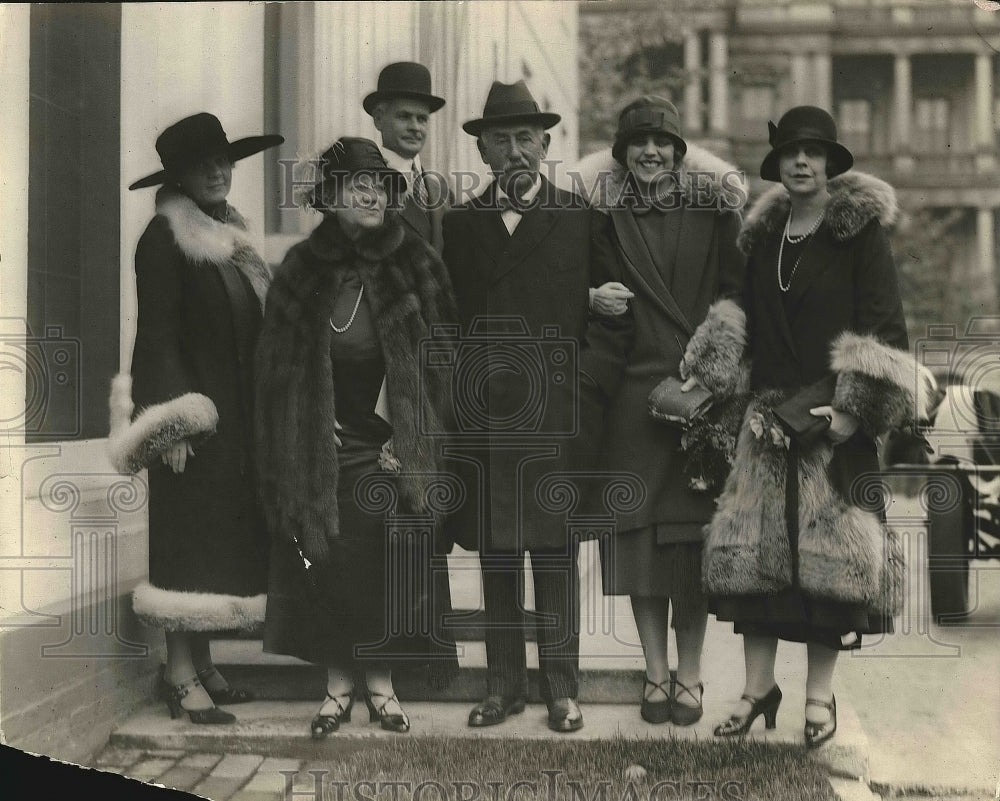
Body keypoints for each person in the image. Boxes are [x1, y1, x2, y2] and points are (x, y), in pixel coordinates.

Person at [703, 106, 929, 747]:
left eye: (813, 152)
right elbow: (743, 318)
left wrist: (851, 411)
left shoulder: (859, 235)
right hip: (767, 423)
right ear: (776, 165)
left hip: (836, 423)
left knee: (834, 565)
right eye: (789, 154)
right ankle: (755, 690)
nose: (800, 162)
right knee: (757, 561)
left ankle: (819, 697)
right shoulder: (763, 237)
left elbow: (885, 331)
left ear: (830, 163)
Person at [442, 80, 632, 733]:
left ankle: (561, 688)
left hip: (555, 413)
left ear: (547, 145)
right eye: (501, 139)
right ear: (484, 150)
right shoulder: (459, 225)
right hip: (488, 413)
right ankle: (502, 686)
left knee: (554, 553)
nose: (515, 149)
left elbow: (614, 313)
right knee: (497, 554)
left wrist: (584, 384)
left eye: (527, 137)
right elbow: (448, 322)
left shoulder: (581, 218)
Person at [254, 137, 459, 739]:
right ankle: (337, 689)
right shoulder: (300, 270)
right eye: (356, 185)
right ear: (328, 197)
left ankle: (383, 687)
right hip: (325, 441)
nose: (371, 194)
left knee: (390, 554)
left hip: (395, 444)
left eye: (380, 186)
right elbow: (273, 371)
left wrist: (417, 437)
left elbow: (445, 358)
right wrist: (303, 433)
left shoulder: (416, 261)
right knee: (330, 554)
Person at [575, 96, 748, 725]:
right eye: (639, 142)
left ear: (680, 153)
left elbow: (737, 295)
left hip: (698, 394)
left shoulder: (714, 214)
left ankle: (692, 676)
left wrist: (713, 364)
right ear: (621, 154)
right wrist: (591, 297)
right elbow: (571, 285)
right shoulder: (602, 218)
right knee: (638, 542)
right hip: (630, 398)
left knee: (690, 543)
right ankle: (654, 675)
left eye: (663, 143)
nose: (652, 152)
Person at [108, 112, 283, 723]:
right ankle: (179, 674)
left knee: (218, 539)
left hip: (233, 421)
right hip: (192, 421)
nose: (216, 171)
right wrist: (170, 421)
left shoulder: (230, 239)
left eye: (223, 160)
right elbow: (157, 334)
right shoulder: (164, 238)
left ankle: (203, 662)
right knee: (187, 541)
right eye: (201, 163)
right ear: (178, 176)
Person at [364, 61, 451, 254]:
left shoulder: (441, 190)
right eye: (404, 117)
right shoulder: (359, 186)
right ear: (378, 119)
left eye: (422, 119)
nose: (415, 127)